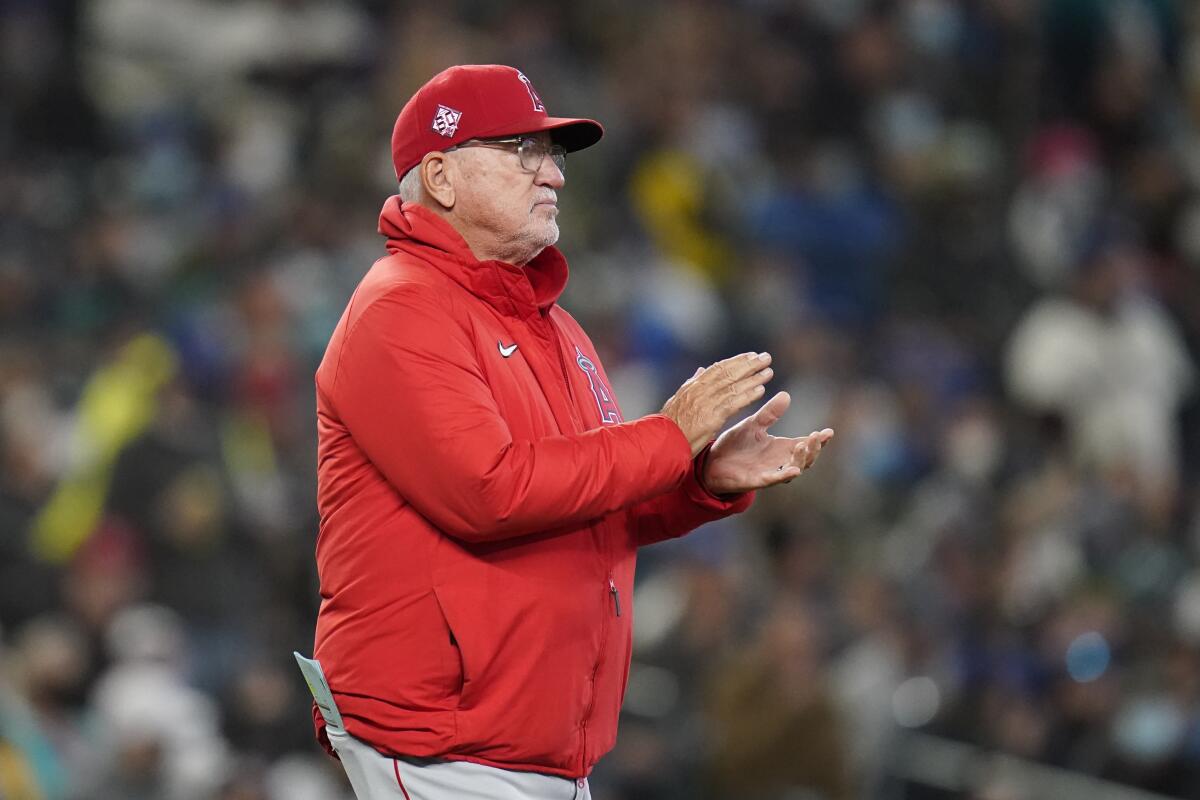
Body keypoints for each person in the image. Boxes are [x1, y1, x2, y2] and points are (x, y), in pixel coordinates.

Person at [303, 64, 835, 800]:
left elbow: (593, 502)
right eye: (522, 150)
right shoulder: (401, 309)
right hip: (441, 744)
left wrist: (699, 479)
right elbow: (488, 492)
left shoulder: (557, 329)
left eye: (551, 155)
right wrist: (669, 437)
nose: (552, 174)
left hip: (533, 748)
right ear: (441, 176)